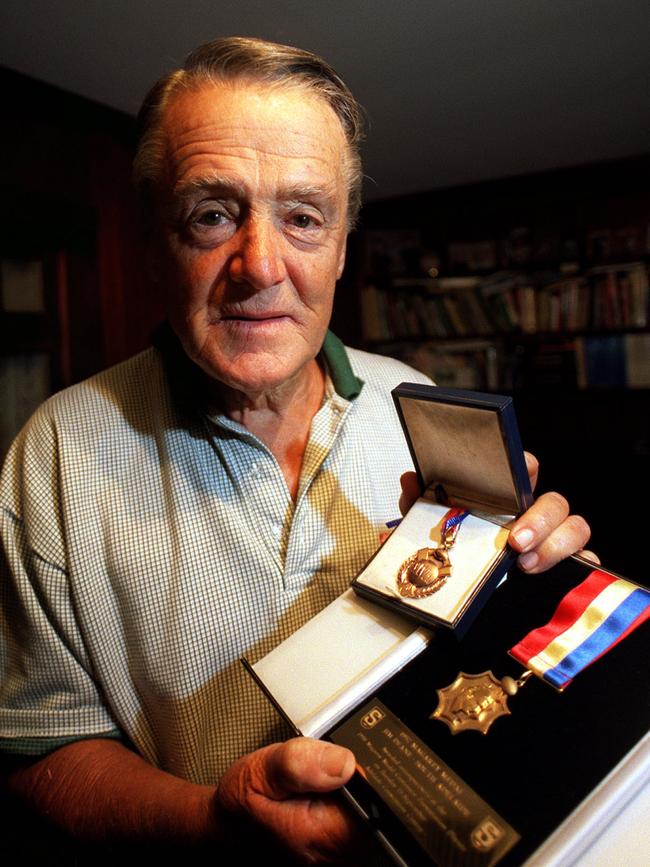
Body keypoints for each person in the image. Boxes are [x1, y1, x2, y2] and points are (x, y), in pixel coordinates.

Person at [0, 36, 591, 863]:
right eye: (212, 213)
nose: (260, 265)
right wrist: (211, 823)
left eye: (304, 217)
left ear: (343, 246)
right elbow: (37, 750)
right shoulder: (52, 457)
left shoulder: (418, 404)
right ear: (154, 240)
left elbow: (495, 656)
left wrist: (536, 573)